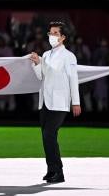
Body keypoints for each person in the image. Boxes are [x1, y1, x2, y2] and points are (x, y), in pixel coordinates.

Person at [29, 21, 81, 183]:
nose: (52, 36)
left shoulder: (68, 56)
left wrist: (76, 102)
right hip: (45, 100)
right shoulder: (46, 54)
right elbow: (41, 76)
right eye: (50, 33)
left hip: (60, 101)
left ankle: (58, 172)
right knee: (46, 137)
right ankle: (52, 170)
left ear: (63, 37)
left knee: (49, 135)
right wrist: (37, 64)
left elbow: (73, 79)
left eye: (55, 33)